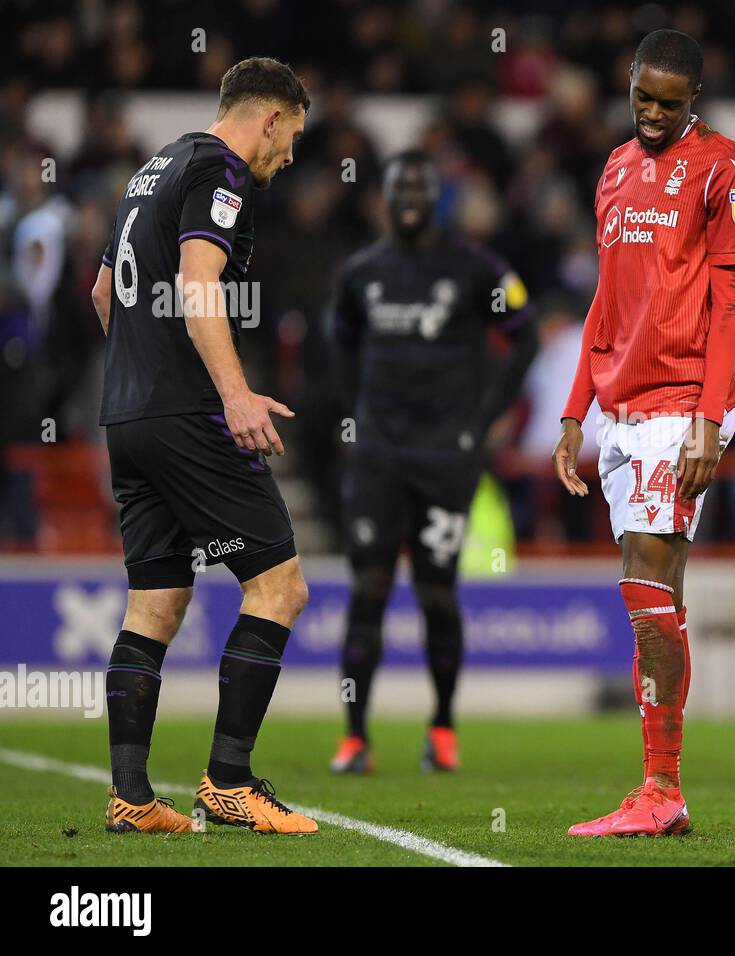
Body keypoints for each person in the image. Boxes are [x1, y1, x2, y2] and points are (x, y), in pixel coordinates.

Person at [92, 58, 317, 834]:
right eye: (291, 141)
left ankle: (130, 797)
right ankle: (229, 783)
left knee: (155, 602)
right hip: (187, 414)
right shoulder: (222, 170)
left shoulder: (150, 171)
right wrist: (231, 392)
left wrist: (140, 374)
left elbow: (101, 295)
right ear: (271, 118)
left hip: (125, 416)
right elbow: (197, 284)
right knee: (280, 588)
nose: (289, 160)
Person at [552, 29, 735, 837]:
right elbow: (606, 300)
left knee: (645, 574)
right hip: (623, 404)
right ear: (629, 84)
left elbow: (732, 299)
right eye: (643, 97)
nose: (653, 114)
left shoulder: (724, 167)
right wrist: (574, 412)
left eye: (671, 104)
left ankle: (661, 787)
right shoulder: (612, 168)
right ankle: (658, 790)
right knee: (656, 596)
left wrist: (708, 420)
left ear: (694, 102)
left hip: (683, 401)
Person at [328, 151, 536, 775]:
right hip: (379, 459)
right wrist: (353, 416)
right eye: (401, 188)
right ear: (385, 199)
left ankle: (442, 726)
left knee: (437, 595)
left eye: (422, 187)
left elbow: (524, 334)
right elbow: (337, 345)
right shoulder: (361, 273)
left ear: (437, 197)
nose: (412, 198)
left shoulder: (474, 269)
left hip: (446, 457)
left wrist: (486, 417)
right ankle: (355, 736)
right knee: (368, 590)